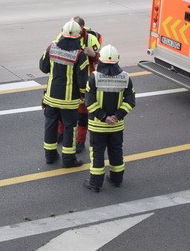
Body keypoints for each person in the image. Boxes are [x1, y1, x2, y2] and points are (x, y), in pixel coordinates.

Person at [83, 44, 135, 192]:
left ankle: (95, 183)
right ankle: (117, 179)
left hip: (97, 126)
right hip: (116, 126)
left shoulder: (94, 77)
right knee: (116, 151)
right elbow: (130, 101)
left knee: (97, 153)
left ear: (101, 60)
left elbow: (89, 102)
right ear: (117, 60)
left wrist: (104, 117)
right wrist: (116, 117)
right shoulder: (126, 77)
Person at [39, 19, 89, 167]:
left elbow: (43, 67)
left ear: (62, 33)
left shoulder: (51, 47)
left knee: (50, 125)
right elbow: (82, 81)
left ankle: (50, 156)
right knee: (69, 128)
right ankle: (68, 159)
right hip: (69, 101)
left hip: (51, 97)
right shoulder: (79, 55)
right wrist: (83, 96)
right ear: (78, 35)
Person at [56, 16, 102, 152]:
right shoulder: (63, 34)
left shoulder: (91, 39)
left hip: (84, 81)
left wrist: (92, 53)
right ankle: (60, 133)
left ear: (81, 29)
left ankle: (80, 140)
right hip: (68, 80)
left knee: (82, 115)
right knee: (63, 111)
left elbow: (99, 59)